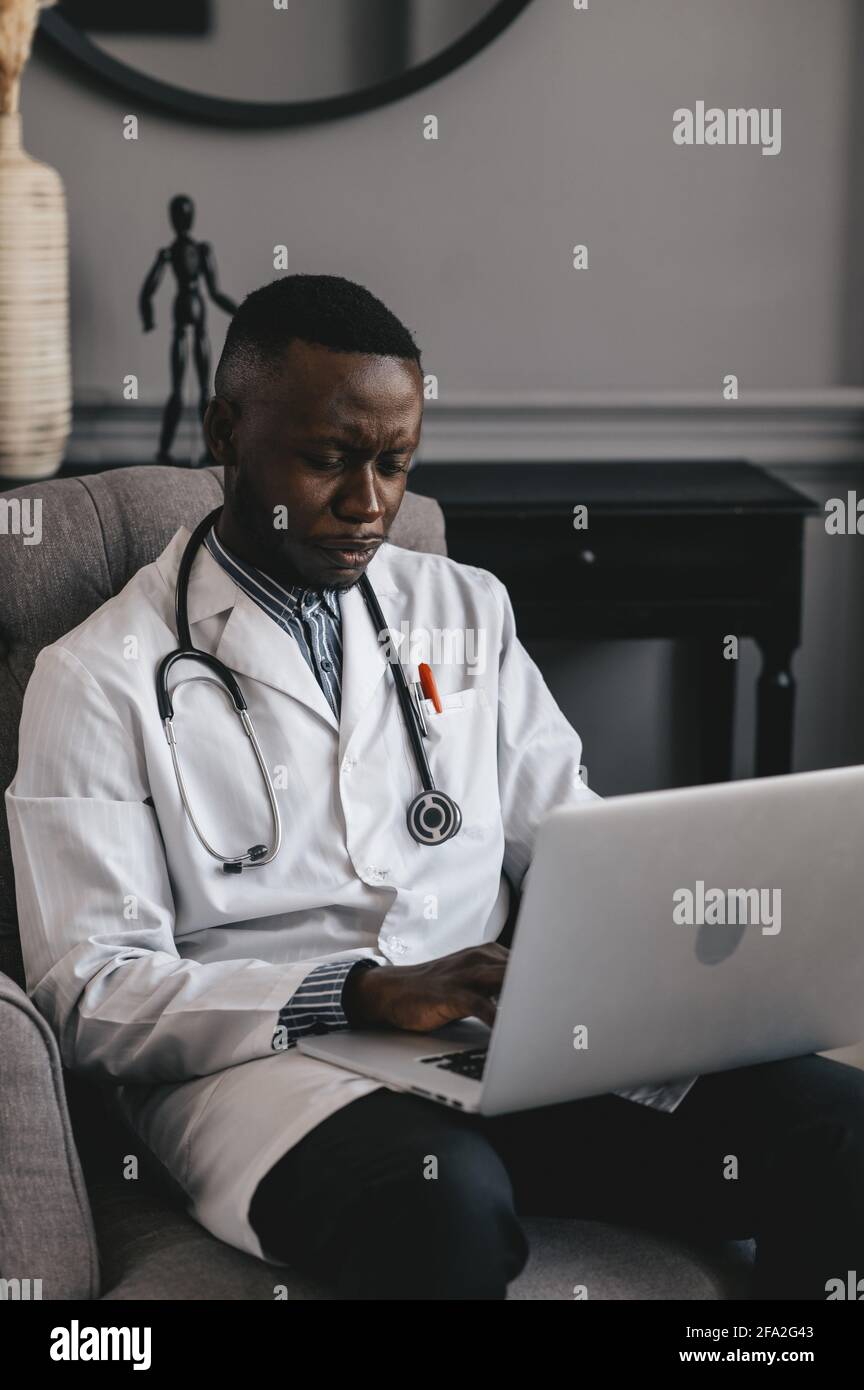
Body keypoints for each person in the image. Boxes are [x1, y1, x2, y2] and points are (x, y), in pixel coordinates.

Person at [6, 275, 864, 1301]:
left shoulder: (466, 611)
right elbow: (92, 995)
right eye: (329, 460)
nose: (369, 505)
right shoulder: (97, 679)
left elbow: (572, 839)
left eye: (395, 463)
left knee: (838, 1128)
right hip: (268, 1072)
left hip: (498, 1047)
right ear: (227, 433)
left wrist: (665, 961)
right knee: (442, 1199)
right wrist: (357, 990)